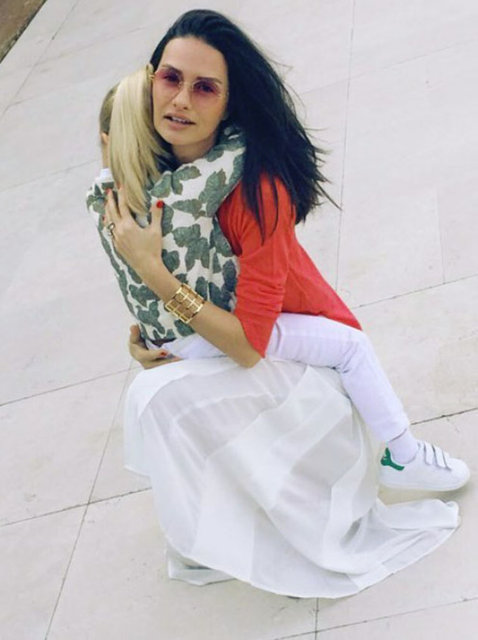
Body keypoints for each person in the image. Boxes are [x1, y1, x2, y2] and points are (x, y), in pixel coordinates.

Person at [97, 9, 465, 597]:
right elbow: (141, 277)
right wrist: (148, 339)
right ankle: (210, 534)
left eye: (205, 87)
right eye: (171, 78)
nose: (181, 100)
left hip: (264, 330)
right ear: (151, 78)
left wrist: (155, 276)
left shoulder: (255, 188)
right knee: (153, 398)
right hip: (206, 333)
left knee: (348, 348)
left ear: (229, 104)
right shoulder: (155, 170)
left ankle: (402, 453)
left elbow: (249, 345)